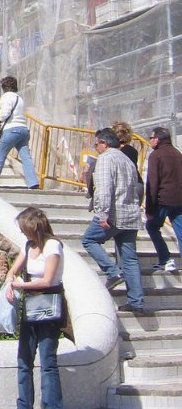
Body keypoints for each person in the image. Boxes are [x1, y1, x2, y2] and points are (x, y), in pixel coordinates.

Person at [4, 206, 65, 409]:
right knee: (24, 359)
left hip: (49, 304)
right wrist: (11, 282)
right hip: (30, 306)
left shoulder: (53, 246)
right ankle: (24, 408)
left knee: (48, 361)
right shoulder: (28, 246)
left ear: (34, 228)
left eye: (24, 228)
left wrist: (21, 284)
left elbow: (48, 280)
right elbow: (13, 271)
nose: (22, 233)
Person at [81, 128, 144, 314]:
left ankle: (112, 272)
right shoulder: (127, 160)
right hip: (131, 214)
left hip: (114, 215)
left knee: (89, 240)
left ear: (105, 144)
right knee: (130, 259)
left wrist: (102, 214)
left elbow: (104, 188)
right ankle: (137, 302)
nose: (95, 147)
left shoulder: (106, 159)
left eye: (96, 144)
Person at [0, 76, 39, 190]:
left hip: (11, 129)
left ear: (4, 87)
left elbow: (5, 114)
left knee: (0, 158)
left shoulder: (6, 97)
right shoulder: (20, 98)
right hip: (23, 129)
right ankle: (33, 182)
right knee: (26, 158)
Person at [145, 127, 182, 273]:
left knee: (152, 227)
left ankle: (165, 258)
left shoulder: (156, 155)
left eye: (151, 138)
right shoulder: (178, 154)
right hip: (179, 201)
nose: (150, 141)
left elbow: (152, 183)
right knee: (180, 233)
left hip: (162, 200)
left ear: (158, 139)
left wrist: (150, 208)